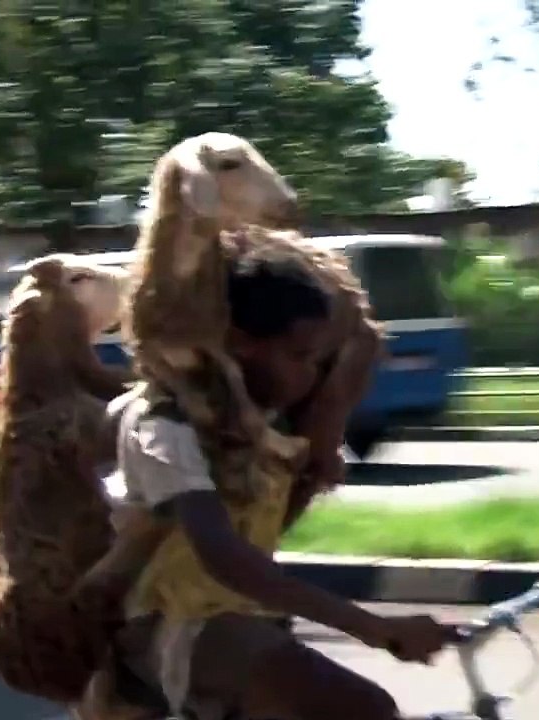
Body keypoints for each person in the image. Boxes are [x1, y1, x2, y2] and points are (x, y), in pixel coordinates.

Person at [109, 250, 454, 720]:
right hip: (168, 626)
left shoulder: (255, 424)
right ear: (241, 343)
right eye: (299, 356)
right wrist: (371, 627)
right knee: (360, 707)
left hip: (239, 615)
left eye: (318, 360)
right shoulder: (165, 425)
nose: (309, 373)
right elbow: (226, 558)